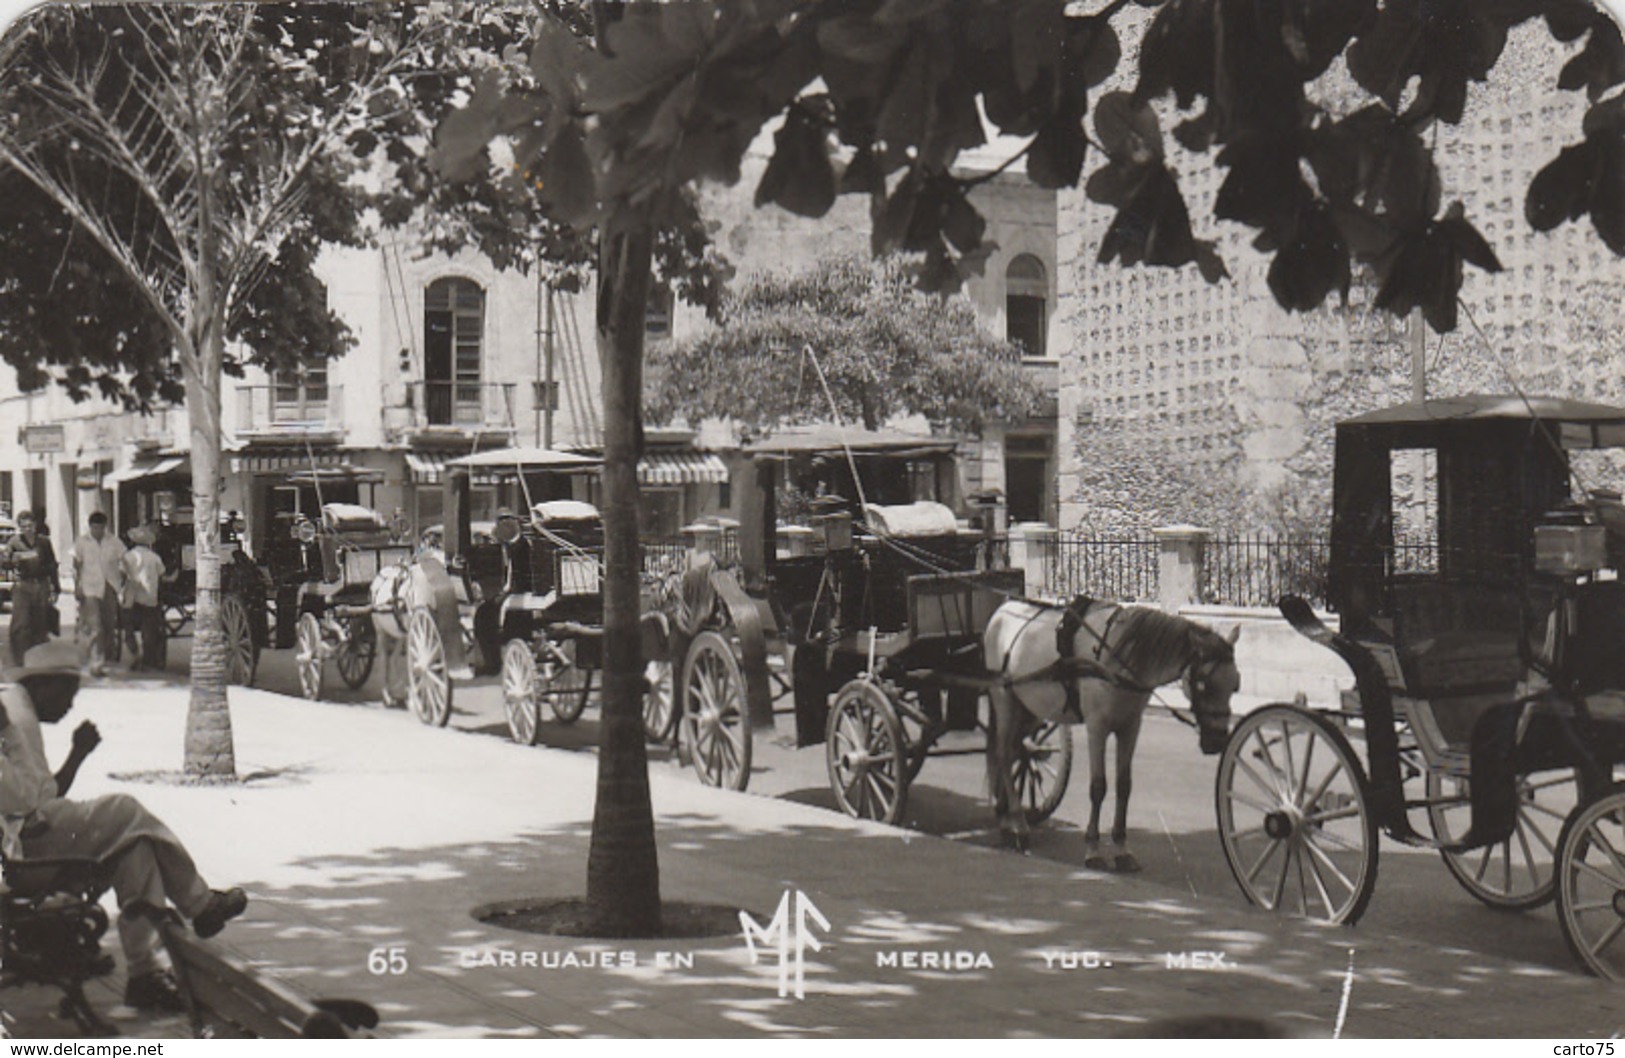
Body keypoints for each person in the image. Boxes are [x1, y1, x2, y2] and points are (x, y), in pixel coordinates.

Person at [0, 639, 248, 1011]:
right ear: (41, 684)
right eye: (67, 693)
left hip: (27, 837)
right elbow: (34, 798)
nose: (70, 706)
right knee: (125, 809)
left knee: (136, 849)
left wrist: (76, 755)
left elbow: (34, 792)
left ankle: (145, 975)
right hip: (28, 848)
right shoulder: (17, 713)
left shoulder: (18, 706)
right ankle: (198, 904)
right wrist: (71, 754)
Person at [3, 509, 61, 666]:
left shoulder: (44, 542)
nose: (27, 529)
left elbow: (52, 565)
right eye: (24, 527)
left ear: (35, 525)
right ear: (20, 528)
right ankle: (19, 659)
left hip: (41, 584)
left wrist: (56, 587)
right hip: (22, 585)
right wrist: (14, 559)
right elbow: (5, 563)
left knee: (40, 622)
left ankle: (38, 658)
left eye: (30, 525)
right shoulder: (14, 542)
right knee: (21, 625)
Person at [72, 512, 126, 676]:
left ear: (105, 526)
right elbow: (76, 565)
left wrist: (122, 579)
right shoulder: (82, 542)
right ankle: (96, 661)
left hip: (110, 586)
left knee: (109, 625)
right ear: (90, 526)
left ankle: (108, 658)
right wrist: (77, 586)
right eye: (95, 527)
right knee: (95, 627)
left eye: (101, 527)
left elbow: (124, 560)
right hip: (90, 587)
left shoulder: (114, 541)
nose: (98, 530)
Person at [120, 525, 166, 673]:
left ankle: (133, 651)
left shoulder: (128, 556)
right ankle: (148, 660)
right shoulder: (154, 557)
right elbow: (162, 574)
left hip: (131, 597)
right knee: (149, 629)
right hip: (149, 597)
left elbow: (121, 574)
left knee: (128, 626)